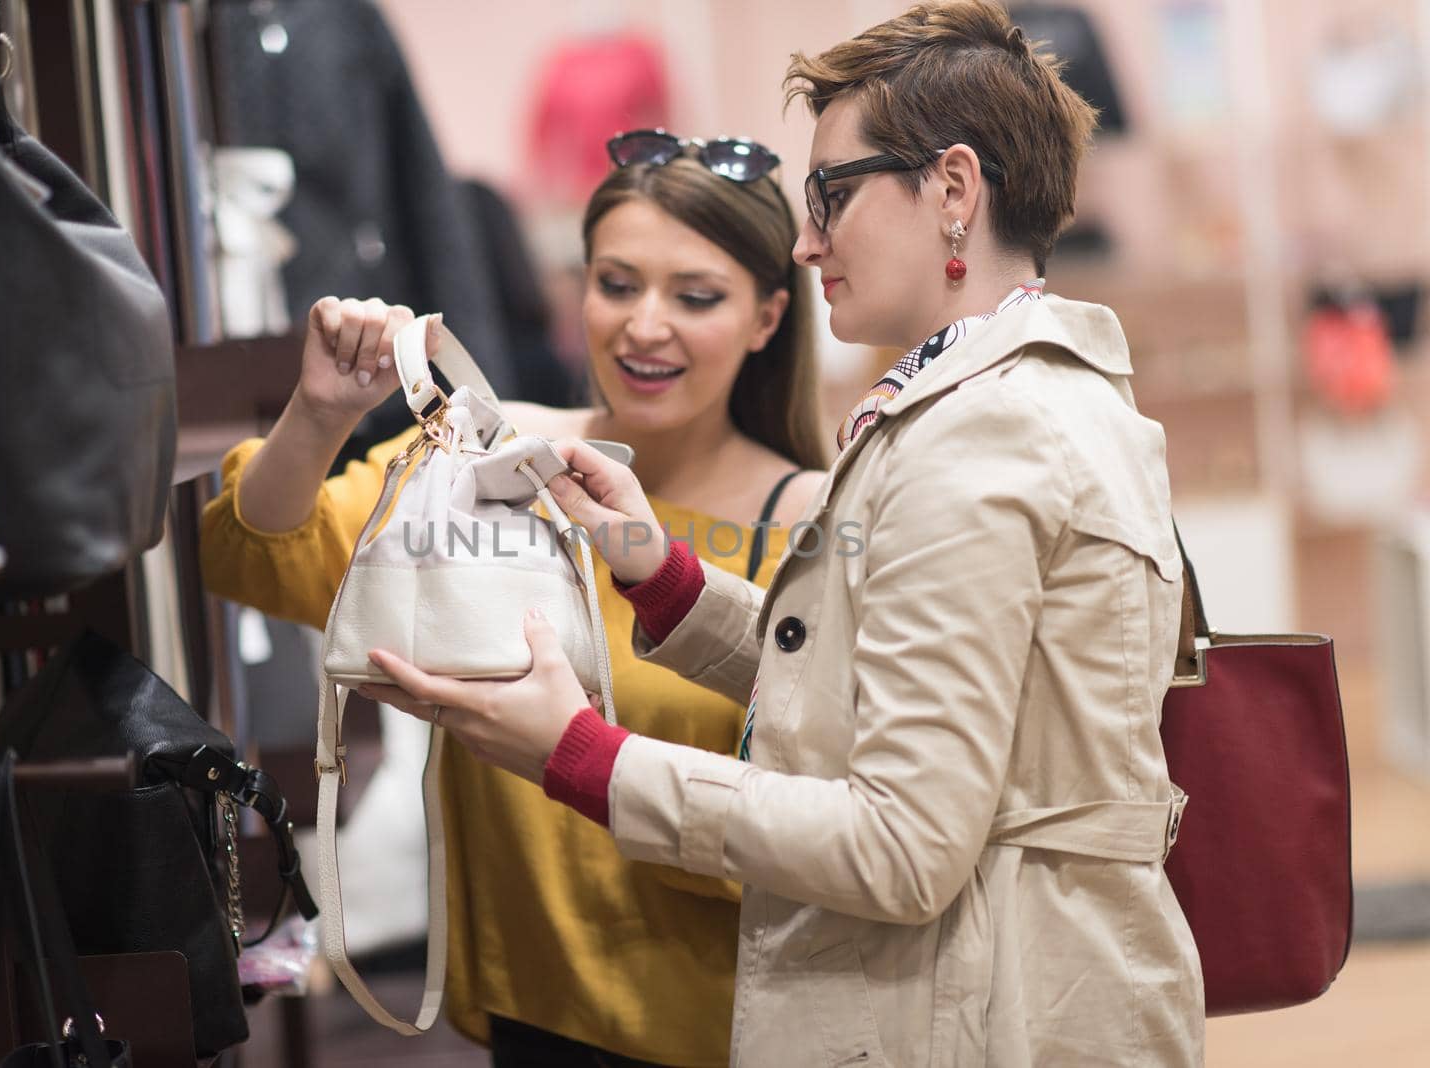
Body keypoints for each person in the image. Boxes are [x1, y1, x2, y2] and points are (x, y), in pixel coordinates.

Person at [360, 3, 1207, 1065]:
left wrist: (579, 756)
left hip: (983, 1016)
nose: (806, 240)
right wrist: (665, 580)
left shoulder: (982, 441)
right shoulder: (1016, 398)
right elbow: (895, 678)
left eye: (832, 195)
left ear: (952, 190)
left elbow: (899, 847)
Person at [199, 140, 826, 1065]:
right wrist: (320, 413)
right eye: (617, 284)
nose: (645, 326)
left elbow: (834, 816)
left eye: (695, 296)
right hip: (531, 1022)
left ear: (769, 316)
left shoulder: (810, 522)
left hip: (733, 1029)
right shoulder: (501, 459)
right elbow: (256, 555)